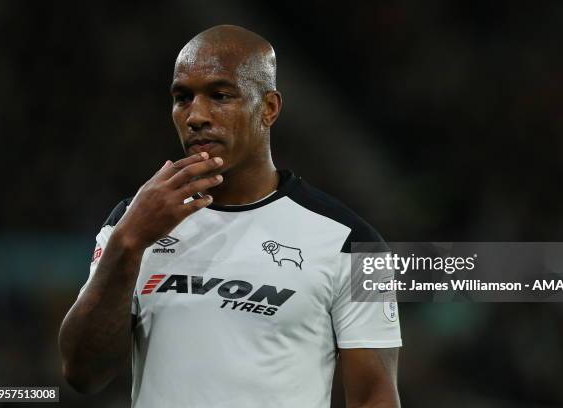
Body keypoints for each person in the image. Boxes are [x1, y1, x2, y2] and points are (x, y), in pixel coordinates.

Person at [59, 24, 402, 408]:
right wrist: (128, 242)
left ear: (269, 108)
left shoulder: (355, 244)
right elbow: (82, 373)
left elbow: (375, 397)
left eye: (220, 95)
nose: (196, 116)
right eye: (182, 98)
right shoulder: (130, 223)